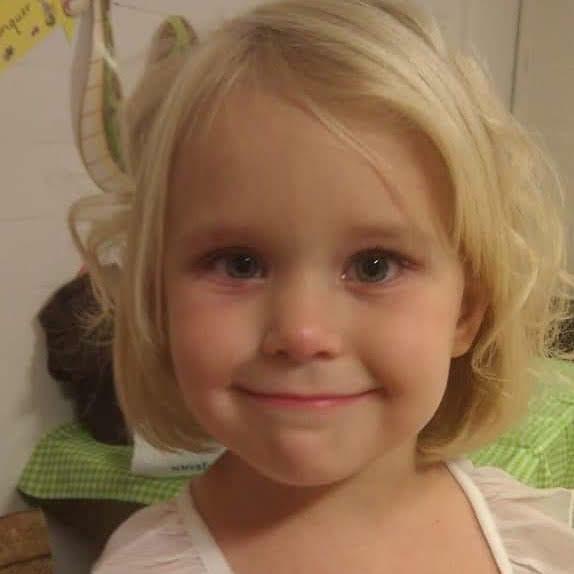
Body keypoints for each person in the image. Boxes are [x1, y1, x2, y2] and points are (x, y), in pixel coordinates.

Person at [69, 1, 574, 572]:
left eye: (375, 266)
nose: (302, 333)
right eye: (239, 264)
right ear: (158, 301)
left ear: (466, 311)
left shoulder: (540, 541)